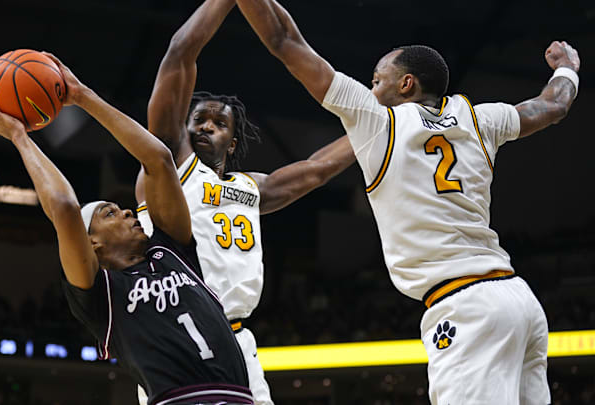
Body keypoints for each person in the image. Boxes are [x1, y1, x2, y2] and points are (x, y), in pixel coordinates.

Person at [233, 1, 580, 403]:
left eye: (377, 80)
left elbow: (283, 40)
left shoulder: (377, 120)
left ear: (406, 84)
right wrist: (567, 66)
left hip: (466, 307)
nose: (371, 88)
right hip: (519, 300)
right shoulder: (481, 118)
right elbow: (554, 106)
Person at [0, 52, 255, 405]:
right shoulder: (100, 293)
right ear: (91, 243)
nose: (126, 211)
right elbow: (64, 208)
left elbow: (158, 159)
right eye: (110, 214)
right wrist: (19, 136)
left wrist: (81, 95)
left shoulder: (172, 251)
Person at [132, 1, 357, 404]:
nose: (205, 126)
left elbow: (316, 168)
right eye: (198, 120)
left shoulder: (252, 188)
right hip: (178, 331)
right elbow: (180, 52)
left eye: (218, 124)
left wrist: (378, 123)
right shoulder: (167, 169)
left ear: (232, 143)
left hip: (237, 338)